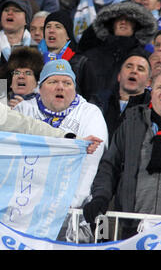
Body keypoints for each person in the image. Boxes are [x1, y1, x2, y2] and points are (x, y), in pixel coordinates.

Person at [14, 58, 108, 241]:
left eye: (67, 83)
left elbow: (89, 164)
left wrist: (68, 206)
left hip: (70, 216)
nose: (60, 87)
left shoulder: (90, 113)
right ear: (39, 88)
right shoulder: (23, 110)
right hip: (23, 211)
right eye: (53, 82)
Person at [83, 69, 161, 239]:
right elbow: (109, 166)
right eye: (159, 87)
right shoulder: (132, 123)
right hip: (132, 228)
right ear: (151, 91)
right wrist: (101, 197)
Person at [77, 1, 157, 108]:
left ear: (137, 25)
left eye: (129, 19)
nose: (123, 22)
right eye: (119, 18)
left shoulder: (146, 58)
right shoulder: (89, 57)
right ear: (111, 23)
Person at [38, 10, 99, 104]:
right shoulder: (34, 61)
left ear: (68, 35)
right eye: (48, 27)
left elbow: (93, 98)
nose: (51, 30)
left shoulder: (82, 63)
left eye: (58, 27)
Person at [104, 49, 152, 142]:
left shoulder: (152, 111)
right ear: (119, 76)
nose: (134, 71)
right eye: (129, 66)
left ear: (148, 82)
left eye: (140, 69)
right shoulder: (99, 103)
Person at [0, 0, 33, 68]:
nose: (10, 13)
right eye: (6, 10)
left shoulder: (37, 50)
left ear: (26, 20)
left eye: (16, 11)